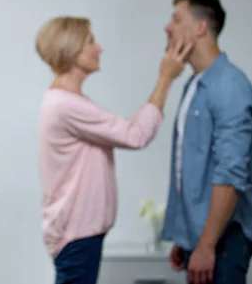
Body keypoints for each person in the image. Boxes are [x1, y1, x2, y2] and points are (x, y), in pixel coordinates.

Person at [36, 16, 193, 284]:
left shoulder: (67, 101)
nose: (99, 48)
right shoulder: (65, 105)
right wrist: (165, 78)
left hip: (77, 233)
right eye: (90, 41)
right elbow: (136, 135)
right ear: (71, 48)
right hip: (77, 235)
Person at [160, 0, 252, 284]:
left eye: (176, 19)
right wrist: (186, 235)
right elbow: (192, 163)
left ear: (201, 27)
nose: (168, 27)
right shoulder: (194, 85)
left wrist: (206, 244)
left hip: (223, 240)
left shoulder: (230, 86)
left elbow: (231, 174)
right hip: (204, 236)